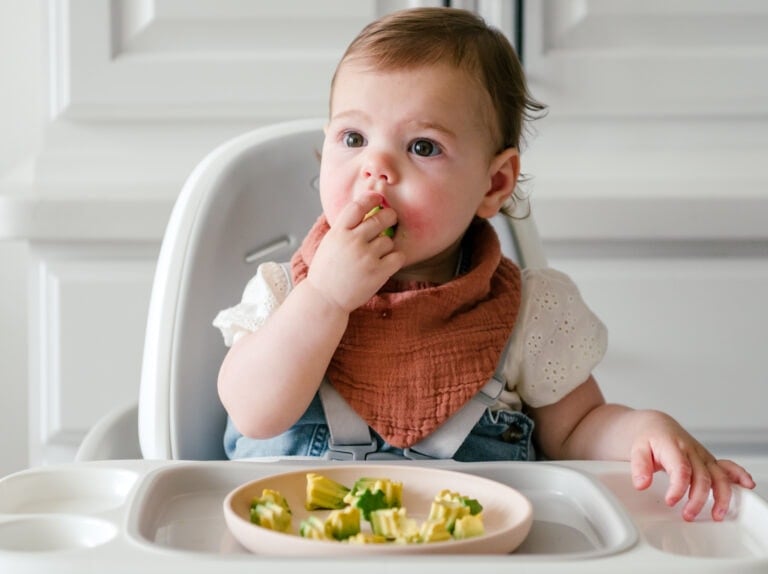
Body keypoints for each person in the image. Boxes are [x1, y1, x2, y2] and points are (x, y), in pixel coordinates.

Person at [213, 7, 754, 521]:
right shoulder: (286, 291)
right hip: (298, 557)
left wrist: (643, 430)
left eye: (422, 147)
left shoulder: (527, 310)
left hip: (475, 560)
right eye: (353, 138)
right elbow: (254, 414)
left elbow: (577, 429)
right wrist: (324, 298)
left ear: (494, 183)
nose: (375, 167)